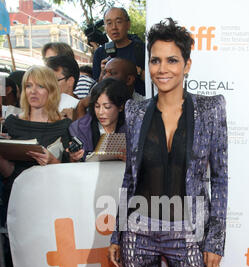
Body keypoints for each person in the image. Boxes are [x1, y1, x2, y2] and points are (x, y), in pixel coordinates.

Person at [108, 18, 228, 267]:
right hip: (139, 229)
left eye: (172, 60)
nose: (163, 68)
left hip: (189, 234)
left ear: (187, 64)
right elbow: (129, 176)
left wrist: (216, 238)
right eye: (155, 60)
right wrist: (118, 232)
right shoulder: (137, 108)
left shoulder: (211, 109)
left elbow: (222, 177)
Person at [0, 65, 82, 215]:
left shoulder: (65, 126)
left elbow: (72, 173)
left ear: (51, 90)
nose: (33, 91)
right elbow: (8, 172)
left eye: (40, 86)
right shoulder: (11, 123)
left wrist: (53, 162)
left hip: (52, 200)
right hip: (17, 199)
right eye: (28, 86)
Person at [69, 77, 130, 161]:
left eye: (107, 107)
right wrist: (74, 157)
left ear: (120, 107)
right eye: (97, 106)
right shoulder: (80, 128)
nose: (101, 112)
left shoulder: (132, 127)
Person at [92, 7, 145, 96]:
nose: (114, 27)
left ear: (128, 24)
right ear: (105, 27)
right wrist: (103, 73)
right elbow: (96, 90)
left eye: (118, 22)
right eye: (109, 23)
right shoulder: (100, 53)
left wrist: (139, 72)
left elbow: (154, 81)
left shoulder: (142, 49)